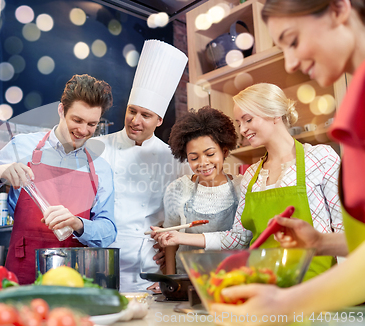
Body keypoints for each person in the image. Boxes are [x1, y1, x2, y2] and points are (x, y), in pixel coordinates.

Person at [209, 1, 365, 324]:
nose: (291, 63)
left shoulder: (322, 155)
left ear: (338, 9)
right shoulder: (354, 112)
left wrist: (288, 302)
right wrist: (320, 242)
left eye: (292, 40)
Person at [154, 83, 343, 280]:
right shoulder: (252, 175)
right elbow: (238, 237)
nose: (243, 129)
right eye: (239, 123)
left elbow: (343, 228)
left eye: (248, 119)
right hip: (265, 284)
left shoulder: (321, 158)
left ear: (275, 114)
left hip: (317, 282)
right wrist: (178, 237)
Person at [0, 74, 117, 284]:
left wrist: (78, 223)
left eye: (92, 124)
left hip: (73, 281)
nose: (83, 131)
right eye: (77, 120)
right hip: (22, 275)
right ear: (61, 109)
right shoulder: (22, 147)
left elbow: (109, 230)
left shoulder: (100, 168)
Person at [95, 39, 190, 292]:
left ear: (159, 119)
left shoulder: (175, 158)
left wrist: (172, 246)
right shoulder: (97, 148)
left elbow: (186, 213)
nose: (135, 121)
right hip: (102, 262)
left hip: (148, 264)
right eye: (132, 111)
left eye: (145, 115)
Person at [155, 106, 241, 275]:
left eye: (210, 154)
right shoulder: (177, 189)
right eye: (194, 158)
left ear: (224, 152)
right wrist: (172, 282)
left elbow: (242, 238)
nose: (202, 163)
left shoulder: (242, 186)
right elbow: (170, 242)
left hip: (231, 279)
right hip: (187, 279)